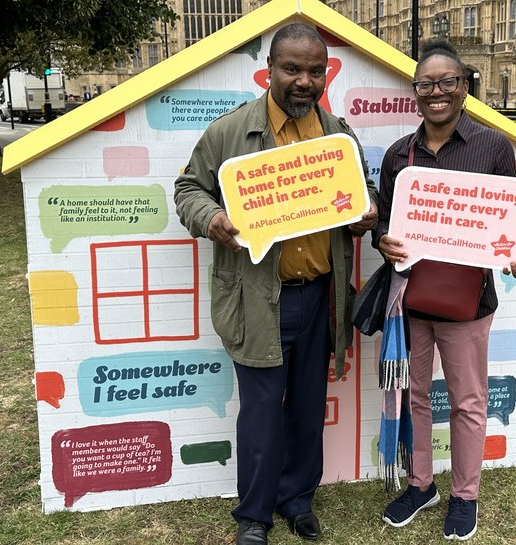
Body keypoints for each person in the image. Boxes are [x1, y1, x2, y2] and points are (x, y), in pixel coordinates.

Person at [173, 23, 378, 545]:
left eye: (315, 70)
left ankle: (297, 500)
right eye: (292, 69)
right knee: (262, 413)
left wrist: (367, 213)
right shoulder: (229, 131)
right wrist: (211, 217)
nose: (304, 81)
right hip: (258, 299)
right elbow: (187, 188)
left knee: (308, 408)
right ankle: (254, 516)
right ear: (269, 69)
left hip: (321, 297)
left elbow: (363, 193)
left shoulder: (337, 133)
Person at [374, 38, 516, 541]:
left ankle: (465, 495)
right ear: (415, 92)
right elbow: (384, 221)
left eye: (447, 82)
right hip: (412, 299)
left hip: (470, 302)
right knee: (416, 394)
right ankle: (421, 485)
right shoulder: (400, 154)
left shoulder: (492, 147)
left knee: (468, 402)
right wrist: (383, 241)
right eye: (426, 84)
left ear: (464, 87)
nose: (436, 91)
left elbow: (508, 223)